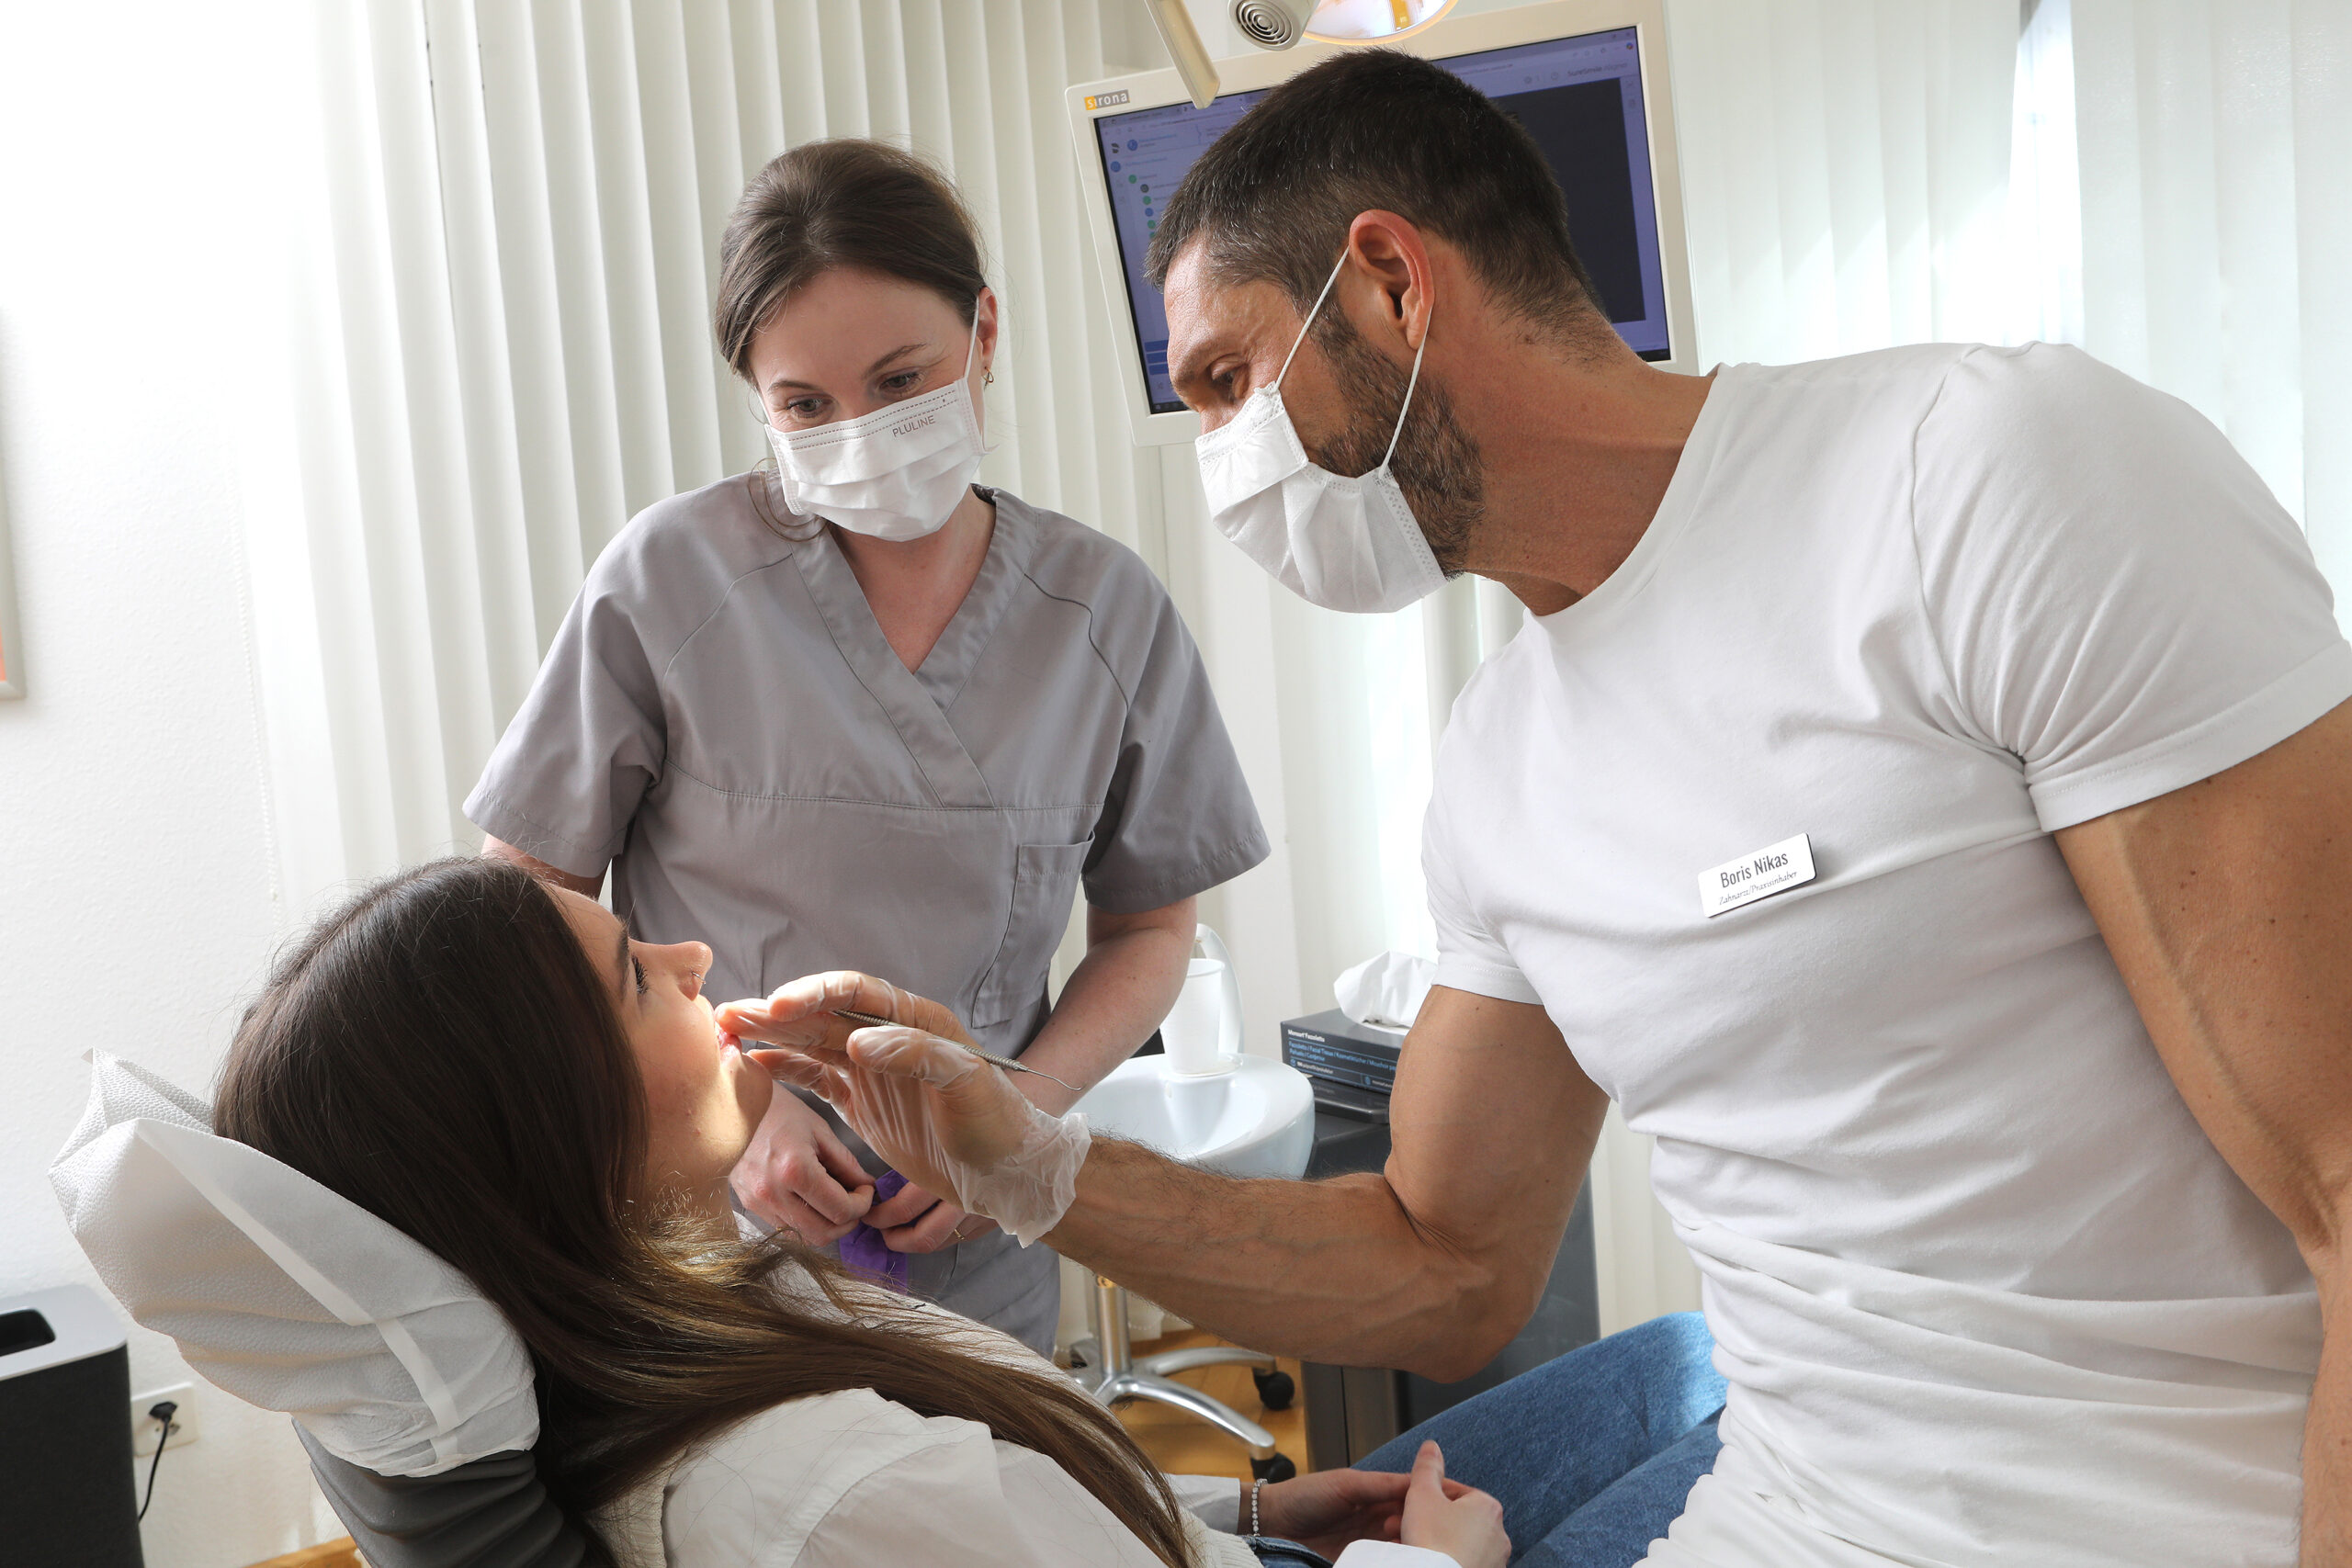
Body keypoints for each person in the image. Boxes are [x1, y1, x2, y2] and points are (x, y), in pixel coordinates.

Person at [726, 49, 2352, 1568]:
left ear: (1389, 280)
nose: (1217, 453)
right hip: (1780, 1518)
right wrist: (1028, 1161)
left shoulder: (1981, 480)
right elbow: (1446, 1261)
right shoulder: (1503, 764)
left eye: (1226, 381)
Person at [465, 138, 1267, 1354]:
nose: (863, 434)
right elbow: (525, 901)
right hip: (709, 1244)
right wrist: (737, 1115)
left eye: (901, 381)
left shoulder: (1103, 613)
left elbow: (1151, 930)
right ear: (759, 405)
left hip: (975, 1243)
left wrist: (1012, 1120)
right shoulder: (670, 586)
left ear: (984, 334)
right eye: (805, 406)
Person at [209, 856, 1512, 1568]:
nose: (691, 958)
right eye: (630, 977)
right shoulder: (826, 1495)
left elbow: (1003, 1537)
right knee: (1684, 1380)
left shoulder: (712, 1322)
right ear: (556, 1136)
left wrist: (1239, 1516)